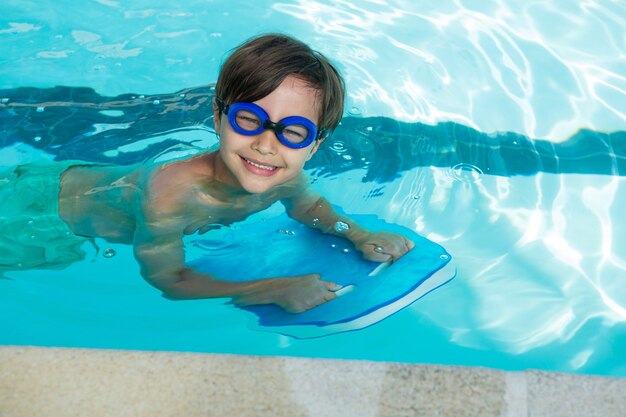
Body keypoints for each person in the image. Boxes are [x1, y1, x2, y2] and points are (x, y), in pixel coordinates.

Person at [0, 34, 414, 313]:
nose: (267, 146)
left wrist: (359, 235)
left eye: (292, 131)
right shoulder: (170, 193)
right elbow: (168, 280)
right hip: (38, 214)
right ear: (218, 117)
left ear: (314, 144)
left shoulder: (284, 174)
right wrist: (266, 289)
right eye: (249, 120)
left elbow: (309, 208)